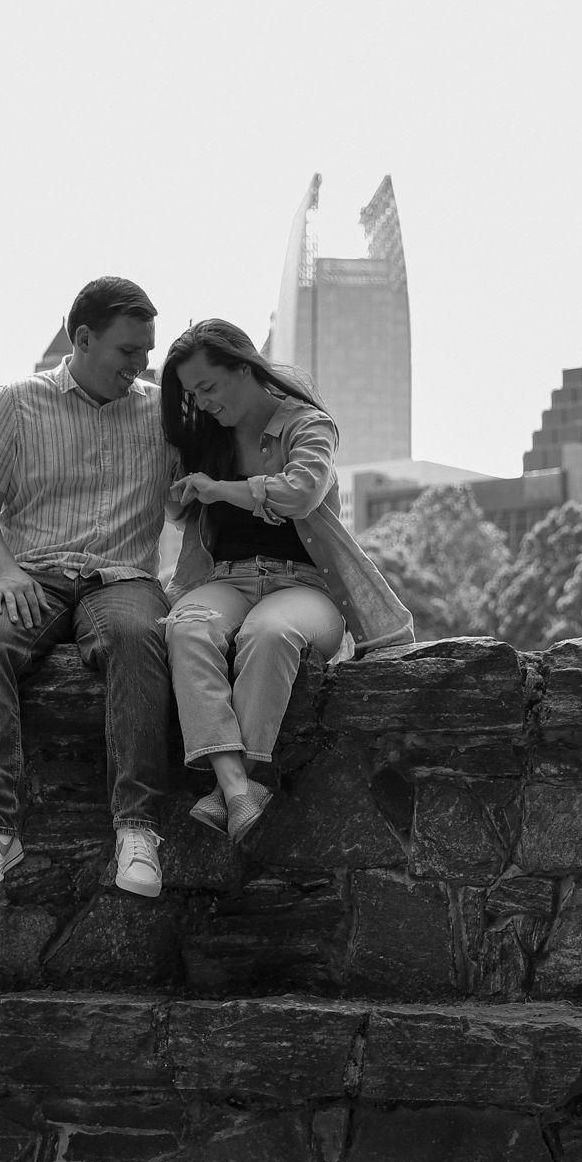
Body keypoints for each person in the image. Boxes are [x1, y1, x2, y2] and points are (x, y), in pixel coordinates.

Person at [0, 276, 175, 899]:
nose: (141, 363)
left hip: (122, 576)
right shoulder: (16, 402)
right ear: (82, 339)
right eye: (128, 350)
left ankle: (138, 829)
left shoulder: (164, 412)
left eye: (147, 351)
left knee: (139, 638)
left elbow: (198, 499)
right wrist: (4, 572)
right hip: (32, 573)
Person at [161, 318, 415, 841]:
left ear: (244, 367)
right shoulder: (206, 437)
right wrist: (181, 486)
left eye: (209, 387)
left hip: (305, 586)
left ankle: (231, 785)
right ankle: (237, 788)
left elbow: (300, 493)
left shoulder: (307, 424)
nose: (203, 403)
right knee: (187, 628)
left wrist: (221, 489)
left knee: (271, 633)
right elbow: (178, 511)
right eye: (193, 394)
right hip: (226, 580)